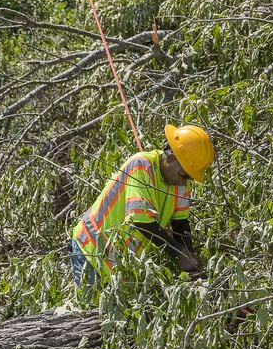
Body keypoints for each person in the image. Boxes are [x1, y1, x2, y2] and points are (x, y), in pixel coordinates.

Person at [70, 124, 214, 291]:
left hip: (120, 262)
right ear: (172, 158)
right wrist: (179, 253)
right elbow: (141, 221)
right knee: (86, 312)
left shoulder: (181, 183)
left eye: (189, 177)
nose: (184, 182)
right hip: (91, 248)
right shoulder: (141, 165)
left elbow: (181, 224)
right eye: (183, 175)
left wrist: (190, 263)